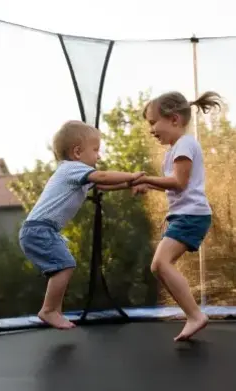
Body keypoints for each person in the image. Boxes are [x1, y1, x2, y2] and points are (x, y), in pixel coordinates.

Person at [19, 120, 144, 330]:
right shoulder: (71, 169)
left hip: (40, 229)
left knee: (62, 266)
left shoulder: (75, 173)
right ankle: (49, 310)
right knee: (65, 265)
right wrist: (132, 175)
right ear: (77, 152)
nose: (99, 156)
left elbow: (103, 184)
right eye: (95, 150)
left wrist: (129, 184)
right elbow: (103, 176)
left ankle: (53, 310)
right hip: (39, 229)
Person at [131, 90, 222, 341]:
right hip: (184, 215)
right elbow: (174, 183)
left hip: (192, 215)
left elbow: (179, 182)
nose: (151, 130)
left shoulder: (185, 144)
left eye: (153, 122)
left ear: (173, 119)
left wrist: (147, 178)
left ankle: (195, 315)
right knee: (158, 266)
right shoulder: (173, 150)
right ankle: (193, 315)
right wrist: (149, 184)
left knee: (161, 264)